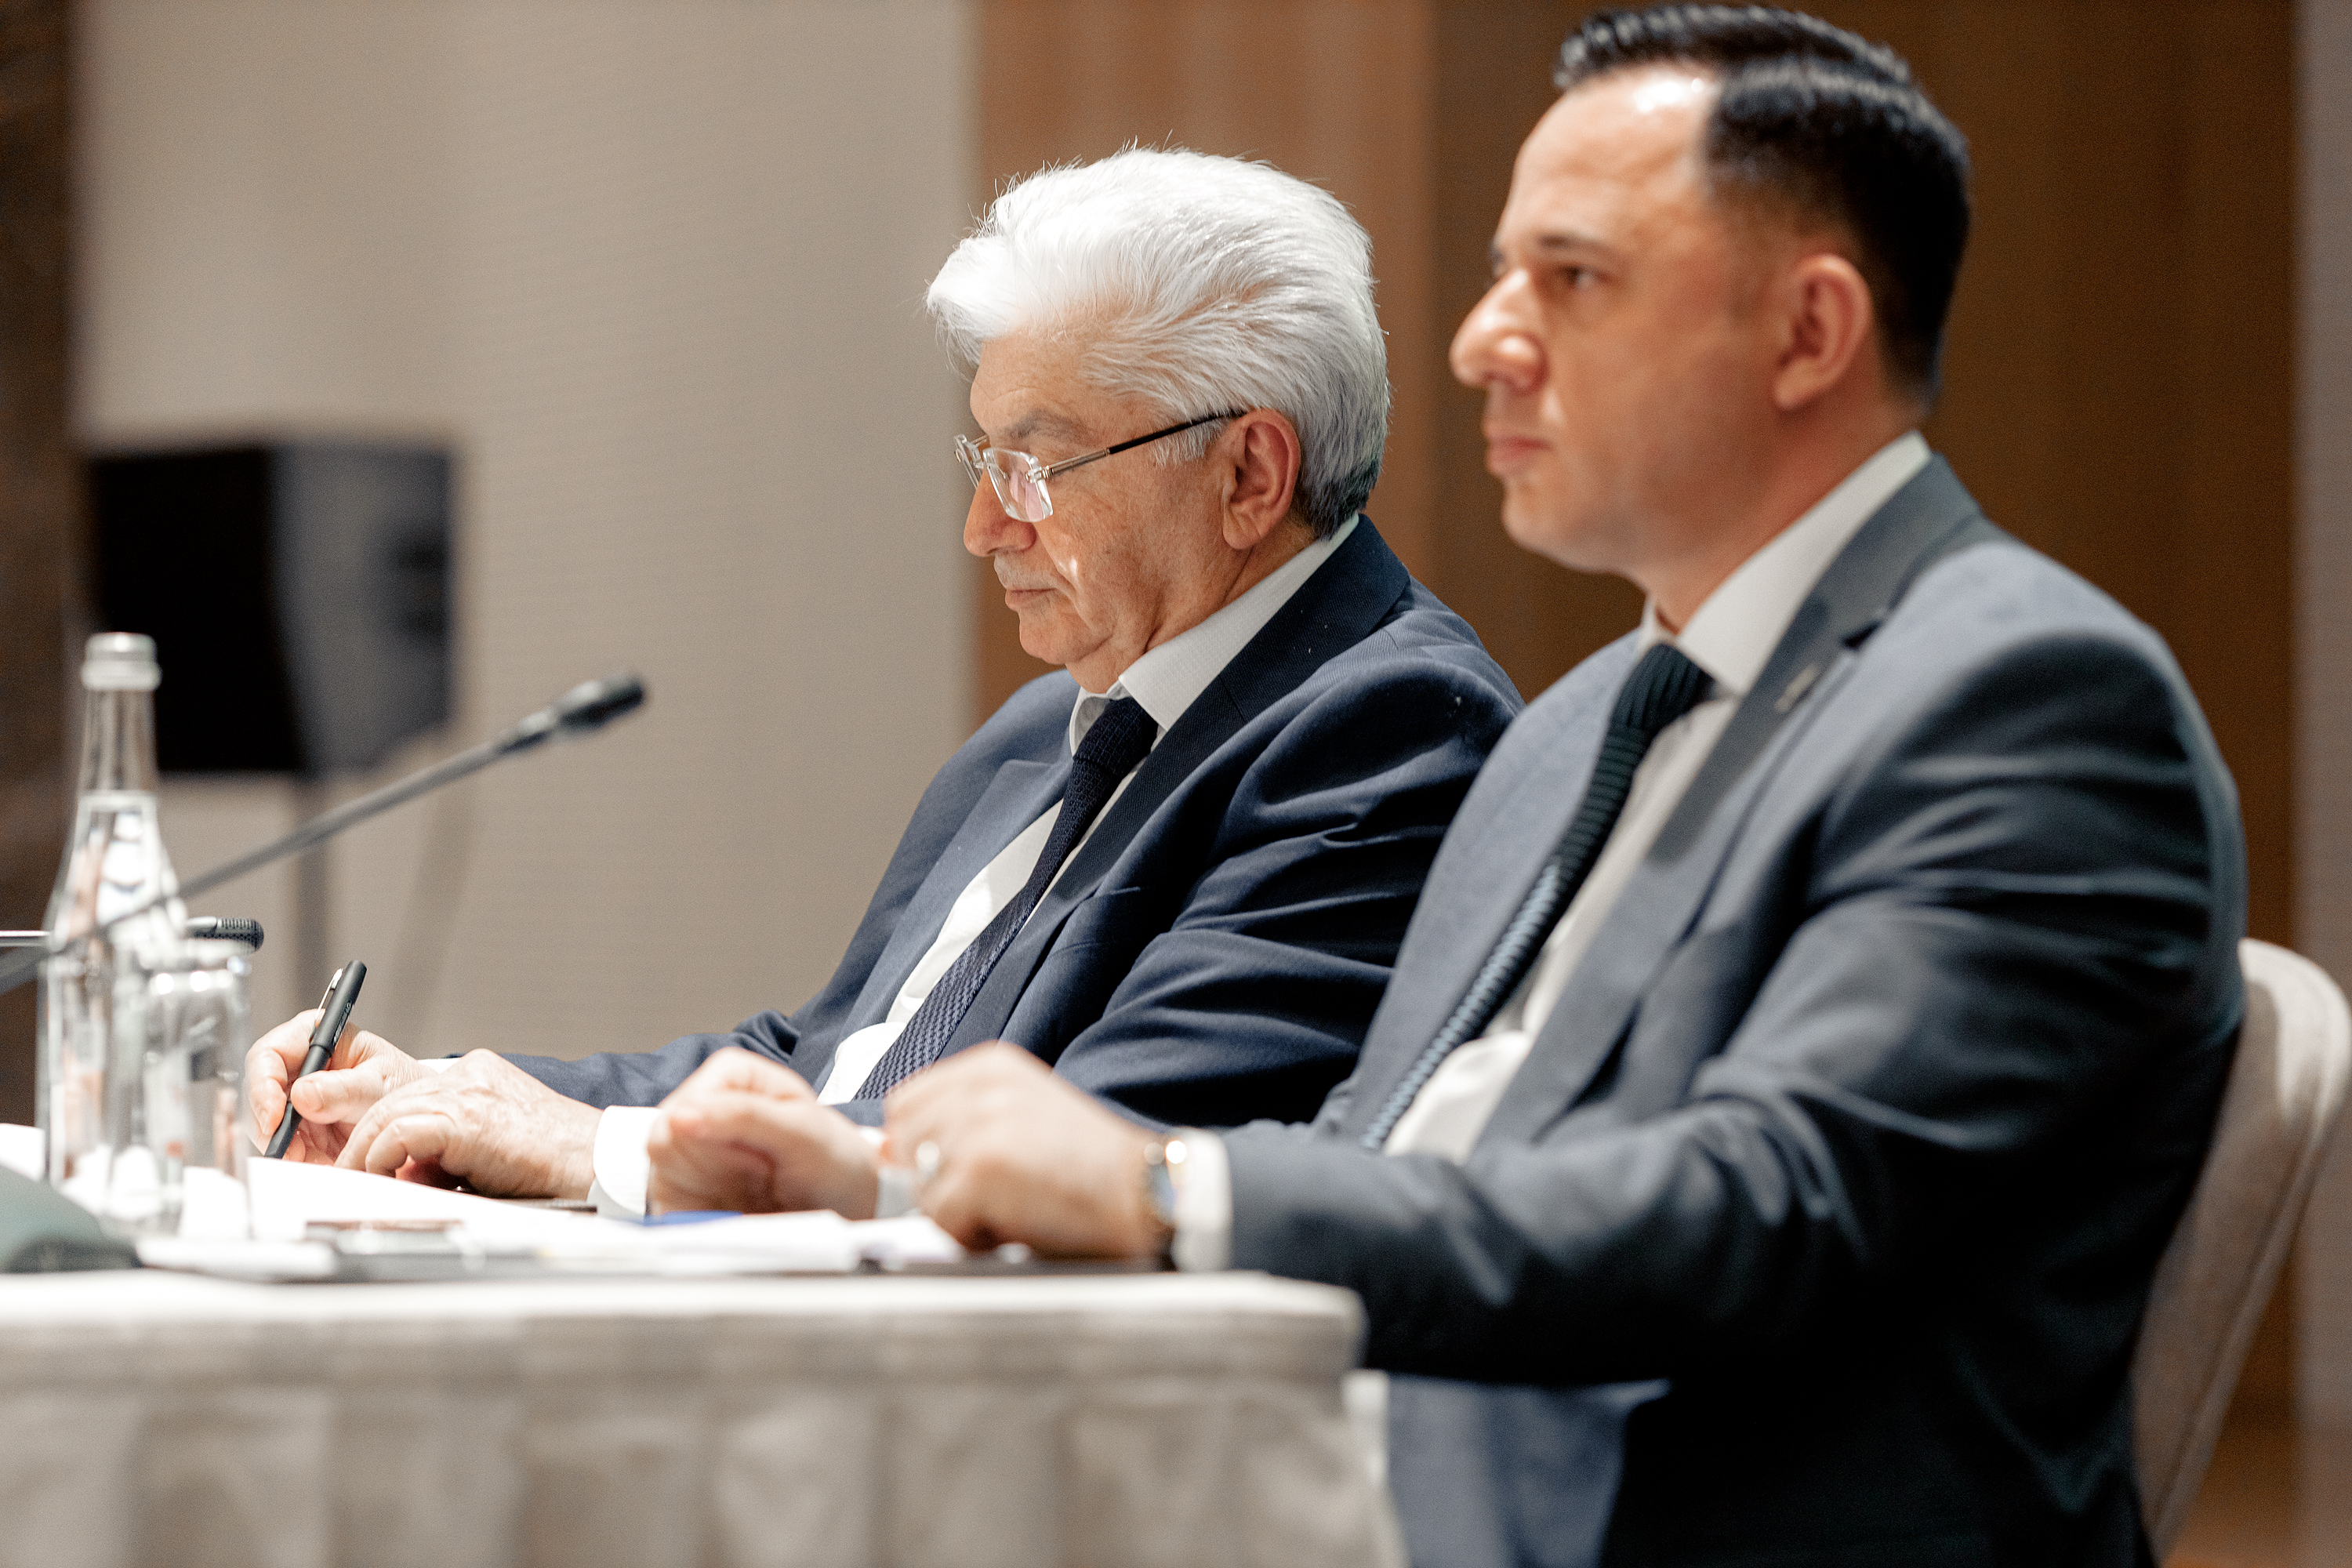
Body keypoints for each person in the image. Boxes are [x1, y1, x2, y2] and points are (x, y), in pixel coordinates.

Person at [765, 9, 2245, 1566]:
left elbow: (1758, 1209)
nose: (1483, 339)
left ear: (1810, 334)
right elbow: (1384, 1143)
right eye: (1500, 274)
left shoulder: (2022, 701)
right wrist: (909, 1171)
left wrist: (1160, 1182)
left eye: (1574, 278)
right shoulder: (1590, 717)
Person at [245, 147, 1523, 1219]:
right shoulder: (1051, 723)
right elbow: (824, 1066)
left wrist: (602, 1153)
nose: (984, 527)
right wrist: (457, 1097)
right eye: (984, 461)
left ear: (1248, 474)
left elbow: (1107, 1151)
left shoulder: (1388, 729)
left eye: (1035, 469)